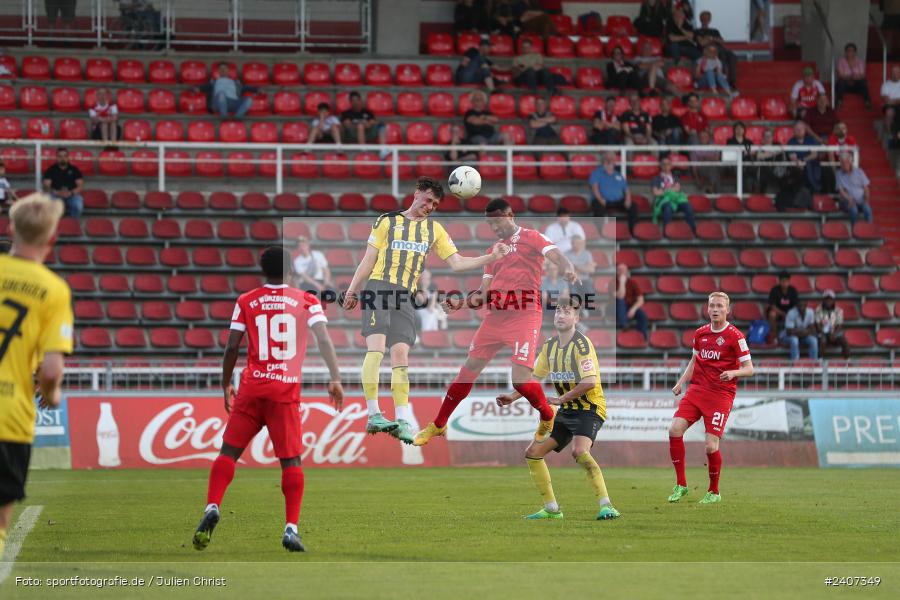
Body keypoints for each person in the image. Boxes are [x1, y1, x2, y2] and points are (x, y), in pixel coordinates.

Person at [192, 247, 344, 554]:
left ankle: (212, 505)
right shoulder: (307, 300)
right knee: (291, 461)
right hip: (284, 391)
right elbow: (323, 339)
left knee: (228, 452)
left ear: (264, 271)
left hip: (251, 388)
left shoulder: (245, 300)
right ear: (290, 271)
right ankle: (291, 529)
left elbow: (232, 347)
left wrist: (225, 384)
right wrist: (335, 377)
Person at [342, 177, 509, 444]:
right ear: (417, 193)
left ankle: (402, 420)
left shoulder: (435, 230)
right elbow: (368, 259)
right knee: (376, 349)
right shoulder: (387, 221)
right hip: (379, 287)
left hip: (405, 296)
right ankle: (373, 414)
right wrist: (353, 289)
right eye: (428, 200)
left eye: (435, 204)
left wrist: (491, 258)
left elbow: (456, 263)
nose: (430, 206)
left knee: (401, 357)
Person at [414, 198, 578, 447]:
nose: (495, 228)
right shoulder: (495, 251)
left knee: (520, 381)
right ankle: (438, 424)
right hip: (495, 317)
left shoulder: (532, 237)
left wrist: (567, 267)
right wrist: (461, 303)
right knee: (467, 372)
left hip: (524, 316)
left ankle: (547, 414)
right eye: (491, 224)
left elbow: (555, 254)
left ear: (510, 215)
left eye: (497, 221)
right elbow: (483, 294)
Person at [497, 299, 620, 521]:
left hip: (589, 407)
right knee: (533, 454)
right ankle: (552, 509)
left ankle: (607, 505)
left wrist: (560, 399)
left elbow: (590, 382)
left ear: (576, 318)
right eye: (558, 311)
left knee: (579, 451)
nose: (561, 315)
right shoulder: (550, 346)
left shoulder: (582, 345)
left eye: (567, 311)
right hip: (565, 409)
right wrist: (513, 397)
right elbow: (534, 378)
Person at [0, 193, 72, 560]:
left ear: (11, 228)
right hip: (9, 417)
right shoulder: (53, 290)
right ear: (52, 239)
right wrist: (52, 393)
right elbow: (51, 369)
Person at [667, 292, 754, 505]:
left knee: (710, 446)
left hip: (720, 395)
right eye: (712, 306)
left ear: (727, 310)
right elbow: (694, 361)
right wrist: (681, 382)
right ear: (707, 309)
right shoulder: (700, 334)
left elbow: (749, 369)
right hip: (697, 390)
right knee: (674, 429)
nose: (715, 309)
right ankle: (681, 485)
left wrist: (734, 373)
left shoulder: (736, 336)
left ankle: (714, 491)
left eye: (719, 306)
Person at [450, 91, 511, 160]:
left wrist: (484, 117)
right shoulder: (469, 112)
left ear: (484, 101)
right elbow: (475, 121)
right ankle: (482, 164)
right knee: (482, 142)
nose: (479, 101)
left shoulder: (487, 112)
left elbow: (496, 120)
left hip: (491, 135)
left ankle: (508, 159)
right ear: (472, 101)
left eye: (481, 99)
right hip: (476, 137)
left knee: (506, 135)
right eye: (476, 99)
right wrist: (487, 121)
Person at [589, 152, 638, 235]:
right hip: (602, 200)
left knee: (633, 206)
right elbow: (595, 188)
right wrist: (601, 199)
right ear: (604, 160)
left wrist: (628, 200)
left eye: (612, 159)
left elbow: (626, 189)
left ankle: (632, 231)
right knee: (598, 208)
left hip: (618, 201)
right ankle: (599, 233)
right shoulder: (596, 173)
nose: (610, 161)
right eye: (608, 159)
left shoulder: (618, 174)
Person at [651, 156, 696, 235]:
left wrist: (664, 190)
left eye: (668, 164)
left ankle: (692, 231)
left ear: (671, 166)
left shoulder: (675, 178)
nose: (666, 166)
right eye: (663, 164)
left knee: (688, 206)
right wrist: (670, 189)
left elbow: (677, 189)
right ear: (660, 166)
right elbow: (656, 193)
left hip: (676, 201)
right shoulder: (656, 179)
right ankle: (667, 232)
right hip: (663, 201)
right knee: (667, 206)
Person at [693, 10, 738, 87]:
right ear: (700, 19)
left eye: (707, 18)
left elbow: (722, 41)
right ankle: (723, 79)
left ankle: (732, 80)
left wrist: (710, 38)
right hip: (707, 50)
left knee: (732, 55)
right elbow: (701, 43)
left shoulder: (715, 31)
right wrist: (713, 39)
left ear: (710, 20)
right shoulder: (697, 31)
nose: (706, 20)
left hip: (719, 48)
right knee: (721, 55)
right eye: (704, 18)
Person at [41, 148, 84, 218]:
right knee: (49, 202)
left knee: (78, 206)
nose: (62, 158)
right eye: (60, 156)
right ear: (57, 158)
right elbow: (46, 186)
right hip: (55, 194)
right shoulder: (50, 170)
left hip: (71, 195)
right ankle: (55, 224)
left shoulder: (74, 169)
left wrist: (71, 193)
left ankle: (73, 223)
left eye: (65, 156)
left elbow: (80, 185)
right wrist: (57, 192)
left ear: (68, 157)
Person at [835, 153, 872, 225]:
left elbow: (866, 188)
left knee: (867, 209)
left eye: (846, 162)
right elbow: (841, 191)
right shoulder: (839, 174)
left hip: (861, 200)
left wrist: (866, 198)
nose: (844, 165)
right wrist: (849, 199)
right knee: (854, 210)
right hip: (847, 200)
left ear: (850, 162)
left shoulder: (859, 172)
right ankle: (854, 230)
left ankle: (870, 230)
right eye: (842, 163)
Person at [786, 120, 822, 193]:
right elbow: (793, 158)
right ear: (794, 130)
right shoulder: (790, 142)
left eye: (801, 129)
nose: (799, 131)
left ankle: (816, 191)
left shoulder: (810, 139)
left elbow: (814, 154)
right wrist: (799, 162)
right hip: (798, 167)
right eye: (797, 129)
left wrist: (803, 160)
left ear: (805, 130)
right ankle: (816, 189)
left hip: (811, 165)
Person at [615, 263, 648, 340]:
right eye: (620, 270)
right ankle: (625, 326)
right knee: (621, 301)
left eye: (624, 270)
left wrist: (633, 309)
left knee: (642, 316)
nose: (622, 272)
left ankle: (642, 336)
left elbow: (641, 300)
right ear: (617, 272)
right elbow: (620, 295)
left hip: (630, 306)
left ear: (627, 272)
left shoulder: (632, 282)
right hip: (616, 308)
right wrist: (622, 282)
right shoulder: (613, 283)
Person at [565, 236, 598, 313]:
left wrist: (577, 267)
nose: (579, 244)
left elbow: (591, 270)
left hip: (585, 280)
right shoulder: (566, 254)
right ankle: (575, 311)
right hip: (572, 279)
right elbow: (567, 270)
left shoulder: (587, 254)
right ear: (572, 244)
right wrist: (585, 267)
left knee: (589, 290)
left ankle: (587, 311)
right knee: (573, 293)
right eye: (577, 243)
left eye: (580, 243)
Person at [835, 43, 871, 109]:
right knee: (840, 82)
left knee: (863, 82)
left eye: (852, 51)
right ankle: (839, 101)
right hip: (845, 85)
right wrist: (851, 77)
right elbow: (840, 75)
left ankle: (867, 102)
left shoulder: (859, 61)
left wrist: (853, 78)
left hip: (856, 85)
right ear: (845, 52)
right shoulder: (841, 61)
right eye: (848, 50)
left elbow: (862, 75)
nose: (850, 52)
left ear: (855, 52)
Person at [815, 289, 849, 359]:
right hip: (822, 332)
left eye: (830, 299)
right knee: (823, 340)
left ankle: (847, 360)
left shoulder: (839, 310)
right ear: (823, 300)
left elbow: (839, 325)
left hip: (834, 332)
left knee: (844, 341)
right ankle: (820, 360)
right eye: (826, 299)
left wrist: (834, 334)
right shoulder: (818, 310)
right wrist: (825, 334)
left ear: (834, 300)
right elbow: (817, 325)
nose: (828, 301)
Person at [766, 271, 798, 343]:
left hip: (789, 313)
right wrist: (783, 314)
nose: (784, 283)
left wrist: (789, 314)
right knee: (772, 314)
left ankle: (793, 335)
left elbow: (796, 305)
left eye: (786, 281)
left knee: (797, 313)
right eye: (783, 281)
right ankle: (775, 337)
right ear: (779, 281)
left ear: (789, 281)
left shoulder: (793, 290)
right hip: (778, 313)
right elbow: (772, 306)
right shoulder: (775, 290)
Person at [727, 121, 755, 191]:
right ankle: (742, 193)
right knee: (742, 172)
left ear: (744, 130)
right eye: (737, 128)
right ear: (734, 130)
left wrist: (745, 153)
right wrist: (744, 153)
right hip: (734, 164)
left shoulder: (749, 142)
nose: (739, 130)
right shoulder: (730, 141)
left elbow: (752, 153)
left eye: (741, 128)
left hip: (747, 163)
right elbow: (730, 154)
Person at [881, 65, 900, 134]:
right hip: (889, 106)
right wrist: (897, 101)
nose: (895, 74)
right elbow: (886, 99)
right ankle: (889, 133)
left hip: (895, 104)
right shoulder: (886, 84)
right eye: (894, 73)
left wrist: (894, 101)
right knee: (889, 112)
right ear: (891, 73)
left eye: (897, 73)